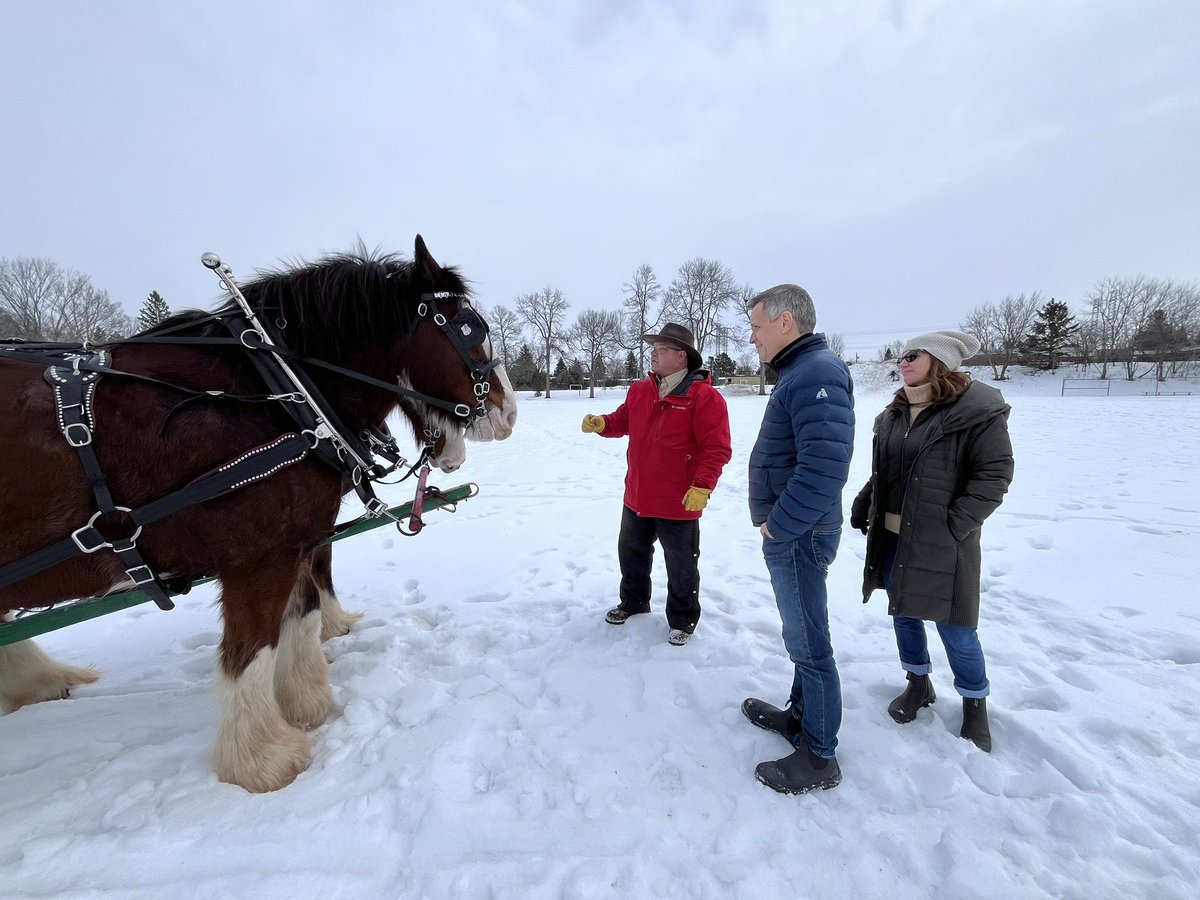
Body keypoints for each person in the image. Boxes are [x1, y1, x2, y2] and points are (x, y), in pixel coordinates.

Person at [850, 330, 1013, 753]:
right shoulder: (894, 414)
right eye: (901, 356)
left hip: (945, 542)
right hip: (892, 537)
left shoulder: (975, 413)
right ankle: (917, 683)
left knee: (956, 626)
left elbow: (993, 477)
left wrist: (954, 526)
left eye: (912, 355)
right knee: (904, 614)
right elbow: (885, 470)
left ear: (939, 361)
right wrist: (865, 502)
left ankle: (975, 704)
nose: (902, 361)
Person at [741, 285, 854, 794]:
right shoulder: (802, 373)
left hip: (799, 531)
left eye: (757, 327)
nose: (752, 338)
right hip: (796, 527)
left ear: (786, 323)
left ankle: (820, 756)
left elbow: (825, 468)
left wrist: (778, 523)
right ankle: (801, 717)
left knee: (809, 640)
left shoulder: (817, 373)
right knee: (800, 633)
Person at [581, 323, 731, 646]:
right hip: (637, 496)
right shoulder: (640, 390)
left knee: (681, 565)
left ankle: (683, 619)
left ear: (681, 356)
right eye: (653, 348)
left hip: (679, 502)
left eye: (660, 349)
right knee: (630, 553)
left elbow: (717, 448)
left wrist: (703, 485)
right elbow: (624, 419)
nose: (653, 353)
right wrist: (603, 424)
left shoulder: (703, 397)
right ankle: (633, 602)